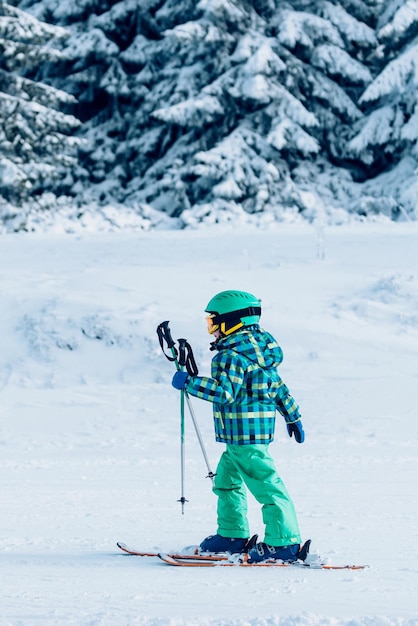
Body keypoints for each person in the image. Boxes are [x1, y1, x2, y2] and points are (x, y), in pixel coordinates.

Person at [171, 290, 308, 563]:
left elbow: (224, 393)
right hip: (242, 436)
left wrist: (189, 382)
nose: (211, 329)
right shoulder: (259, 352)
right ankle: (232, 534)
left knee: (266, 484)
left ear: (232, 321)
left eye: (214, 322)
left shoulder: (230, 356)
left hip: (243, 436)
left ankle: (284, 542)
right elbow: (278, 388)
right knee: (226, 481)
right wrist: (292, 416)